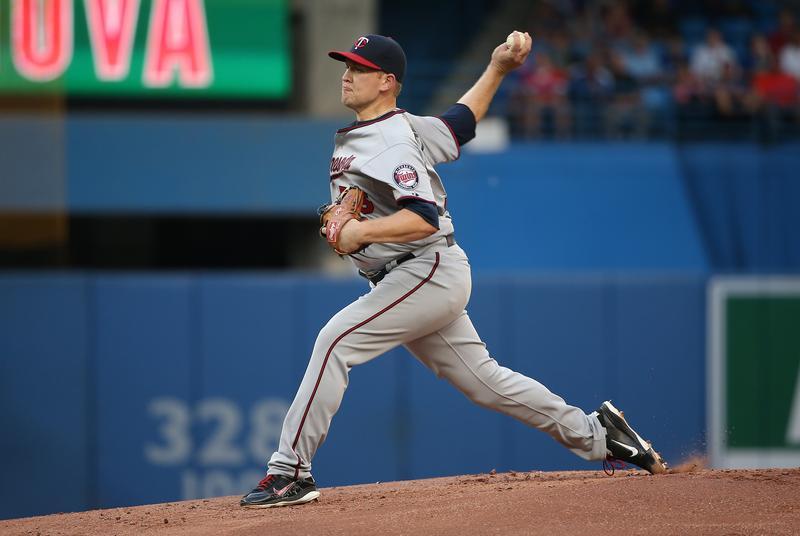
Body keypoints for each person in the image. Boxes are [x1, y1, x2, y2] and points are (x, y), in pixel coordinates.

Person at [240, 32, 668, 509]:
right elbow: (459, 124)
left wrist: (360, 234)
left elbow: (423, 216)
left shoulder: (390, 141)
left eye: (359, 69)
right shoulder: (402, 126)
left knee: (335, 341)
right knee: (486, 382)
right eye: (347, 65)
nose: (347, 74)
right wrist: (498, 69)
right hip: (421, 274)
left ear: (386, 82)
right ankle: (598, 434)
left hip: (424, 269)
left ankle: (289, 472)